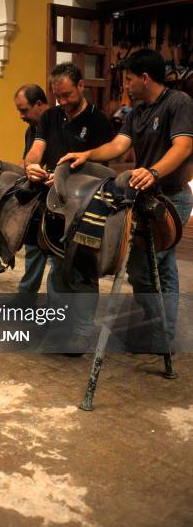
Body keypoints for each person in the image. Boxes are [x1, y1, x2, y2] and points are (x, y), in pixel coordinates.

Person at [58, 49, 193, 346]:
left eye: (129, 79)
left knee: (152, 265)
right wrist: (87, 154)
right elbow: (120, 144)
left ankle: (163, 334)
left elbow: (182, 147)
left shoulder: (178, 102)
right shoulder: (139, 111)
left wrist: (154, 172)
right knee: (149, 266)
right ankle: (159, 326)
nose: (126, 86)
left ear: (144, 78)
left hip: (171, 198)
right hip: (145, 196)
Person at [25, 62, 114, 349]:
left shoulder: (98, 121)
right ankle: (60, 324)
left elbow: (100, 170)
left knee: (81, 269)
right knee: (56, 263)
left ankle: (82, 331)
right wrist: (31, 166)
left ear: (81, 86)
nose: (62, 102)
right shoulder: (50, 116)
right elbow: (36, 149)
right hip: (52, 202)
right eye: (57, 96)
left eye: (67, 95)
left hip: (85, 204)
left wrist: (67, 177)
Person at [14, 84, 52, 294]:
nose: (21, 116)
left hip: (58, 198)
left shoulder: (58, 125)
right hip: (37, 199)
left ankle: (57, 307)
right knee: (33, 249)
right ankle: (25, 297)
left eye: (24, 110)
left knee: (56, 257)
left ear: (39, 104)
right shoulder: (31, 130)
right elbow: (26, 161)